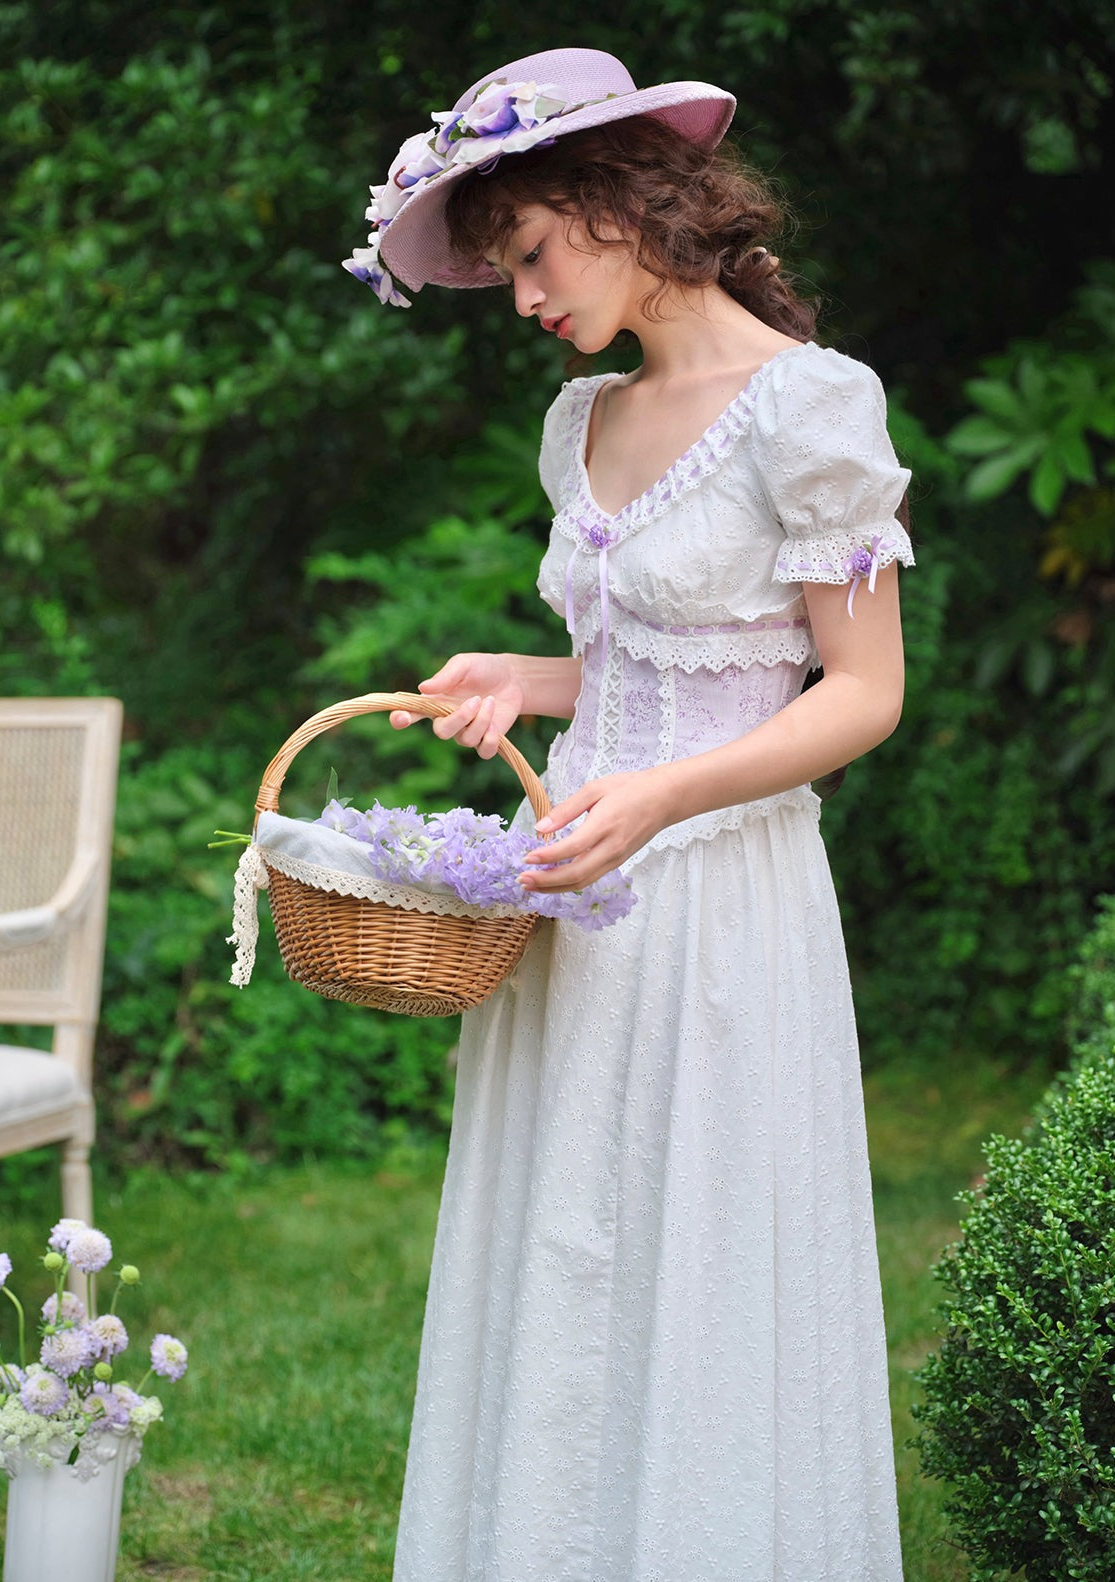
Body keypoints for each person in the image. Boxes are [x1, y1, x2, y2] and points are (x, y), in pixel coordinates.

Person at [343, 46, 913, 1582]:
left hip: (720, 907)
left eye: (525, 253)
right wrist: (530, 681)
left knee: (702, 1260)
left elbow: (856, 692)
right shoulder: (578, 420)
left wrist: (657, 792)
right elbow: (644, 659)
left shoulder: (810, 407)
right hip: (575, 899)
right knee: (567, 1252)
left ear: (618, 199)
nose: (519, 299)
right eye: (498, 270)